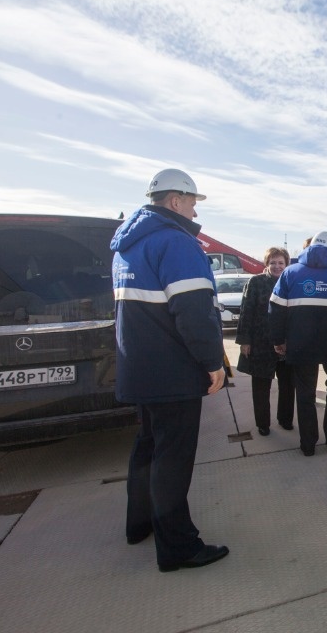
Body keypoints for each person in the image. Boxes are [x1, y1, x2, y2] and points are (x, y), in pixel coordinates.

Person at [111, 168, 229, 573]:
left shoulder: (127, 246)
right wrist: (213, 362)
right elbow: (194, 313)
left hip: (138, 368)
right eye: (194, 201)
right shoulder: (177, 243)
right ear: (175, 201)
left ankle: (139, 524)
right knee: (172, 460)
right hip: (171, 373)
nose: (196, 210)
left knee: (147, 447)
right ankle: (178, 547)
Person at [269, 231, 327, 456]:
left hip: (300, 345)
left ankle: (308, 444)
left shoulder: (290, 272)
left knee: (305, 393)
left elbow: (275, 311)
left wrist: (278, 340)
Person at [235, 247, 295, 436]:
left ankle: (285, 420)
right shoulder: (256, 282)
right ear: (266, 264)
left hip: (286, 344)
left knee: (287, 385)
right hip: (261, 343)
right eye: (273, 263)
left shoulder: (292, 282)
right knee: (261, 386)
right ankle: (263, 423)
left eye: (281, 263)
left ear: (287, 264)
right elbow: (246, 311)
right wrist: (245, 341)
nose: (277, 266)